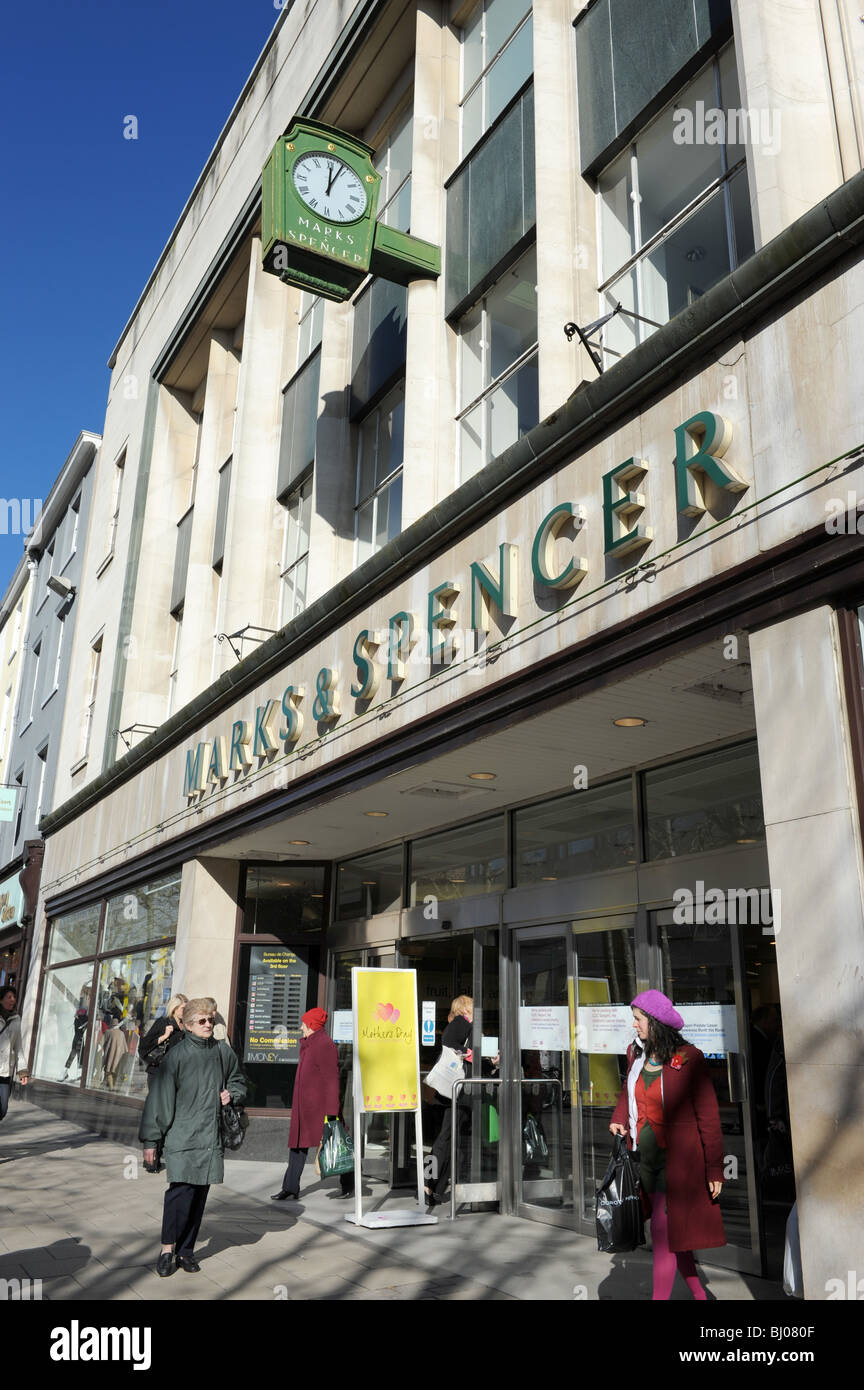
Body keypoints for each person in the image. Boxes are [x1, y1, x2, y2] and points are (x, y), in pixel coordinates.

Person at [610, 989, 725, 1300]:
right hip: (642, 1161)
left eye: (638, 1020)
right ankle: (700, 1297)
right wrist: (620, 1115)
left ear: (656, 1022)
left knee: (662, 1235)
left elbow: (709, 1119)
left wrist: (715, 1169)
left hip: (676, 1166)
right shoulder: (635, 1054)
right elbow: (628, 1091)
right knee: (674, 1236)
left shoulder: (690, 1059)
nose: (634, 1025)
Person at [140, 997, 247, 1276]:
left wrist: (231, 1094)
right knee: (179, 1194)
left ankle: (186, 1252)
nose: (208, 1024)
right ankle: (167, 1249)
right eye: (202, 1020)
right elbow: (159, 1101)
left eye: (210, 1019)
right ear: (187, 1025)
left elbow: (238, 1081)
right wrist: (151, 1141)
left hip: (211, 1138)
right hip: (182, 1137)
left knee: (199, 1195)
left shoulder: (223, 1052)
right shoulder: (175, 1056)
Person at [271, 1007, 353, 1201]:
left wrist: (332, 1113)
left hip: (321, 1109)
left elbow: (332, 1081)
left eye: (304, 1024)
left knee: (337, 1144)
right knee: (298, 1146)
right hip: (305, 1108)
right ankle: (290, 1187)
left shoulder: (324, 1044)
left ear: (311, 1026)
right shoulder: (309, 1043)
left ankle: (349, 1185)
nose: (301, 1027)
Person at [425, 994, 474, 1207]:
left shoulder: (463, 1024)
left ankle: (435, 1186)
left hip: (455, 1092)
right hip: (454, 1091)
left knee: (449, 1139)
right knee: (445, 1139)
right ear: (465, 1008)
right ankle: (427, 1182)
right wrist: (471, 1053)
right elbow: (449, 1044)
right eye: (472, 1005)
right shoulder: (461, 1023)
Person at [138, 994, 188, 1085]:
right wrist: (164, 1037)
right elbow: (144, 1045)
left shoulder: (186, 1026)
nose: (186, 1011)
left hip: (177, 1074)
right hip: (159, 1073)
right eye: (183, 1008)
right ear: (174, 1008)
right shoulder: (163, 1022)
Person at [0, 985, 29, 1120]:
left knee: (3, 1109)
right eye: (9, 997)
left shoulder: (16, 1019)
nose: (12, 1000)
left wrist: (22, 1071)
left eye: (14, 997)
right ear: (1, 1000)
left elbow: (18, 1047)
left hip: (5, 1072)